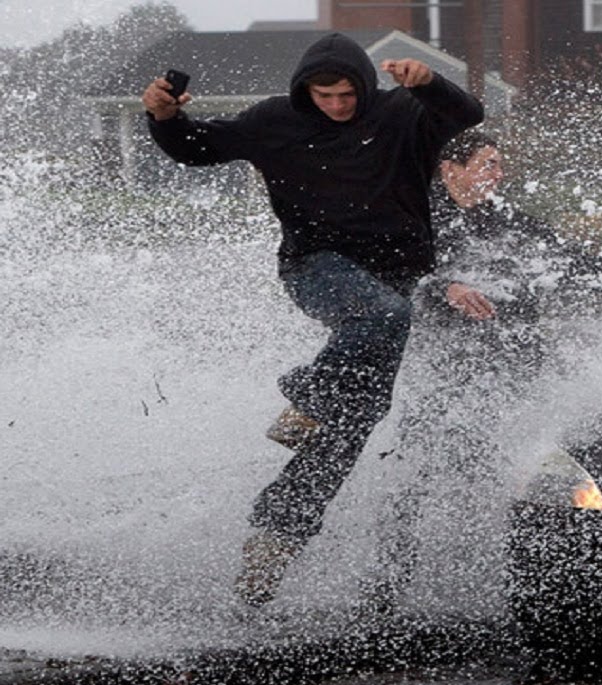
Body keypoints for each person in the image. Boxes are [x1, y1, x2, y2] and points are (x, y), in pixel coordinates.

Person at [140, 32, 484, 606]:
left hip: (395, 277)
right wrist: (163, 119)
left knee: (351, 425)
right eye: (325, 96)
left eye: (347, 94)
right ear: (306, 91)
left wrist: (430, 82)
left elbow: (467, 113)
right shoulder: (276, 120)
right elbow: (194, 149)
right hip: (316, 266)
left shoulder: (401, 114)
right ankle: (305, 397)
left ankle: (272, 542)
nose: (338, 105)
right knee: (382, 317)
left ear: (363, 86)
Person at [365, 128, 602, 613]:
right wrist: (445, 288)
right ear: (450, 169)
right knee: (417, 473)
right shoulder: (418, 216)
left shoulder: (507, 221)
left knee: (517, 474)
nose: (499, 175)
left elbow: (577, 263)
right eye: (487, 164)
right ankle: (384, 593)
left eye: (499, 165)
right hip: (443, 371)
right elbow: (390, 272)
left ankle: (508, 588)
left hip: (513, 367)